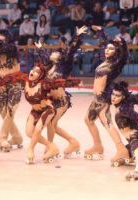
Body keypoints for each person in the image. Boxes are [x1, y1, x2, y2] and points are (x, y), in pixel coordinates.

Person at [35, 26, 87, 158]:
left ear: (60, 57)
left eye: (55, 52)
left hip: (62, 101)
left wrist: (77, 36)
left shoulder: (64, 66)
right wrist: (40, 47)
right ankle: (73, 142)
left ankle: (51, 147)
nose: (52, 53)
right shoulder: (51, 66)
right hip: (52, 100)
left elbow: (71, 51)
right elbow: (45, 55)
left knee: (50, 123)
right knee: (53, 125)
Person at [84, 25, 129, 165]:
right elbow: (105, 43)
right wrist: (101, 31)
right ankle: (98, 146)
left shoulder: (115, 64)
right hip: (96, 99)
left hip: (103, 99)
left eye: (110, 49)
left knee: (107, 123)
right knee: (88, 120)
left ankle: (121, 149)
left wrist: (123, 44)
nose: (106, 50)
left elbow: (124, 55)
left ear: (116, 52)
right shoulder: (106, 61)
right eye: (106, 48)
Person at [23, 64, 80, 164]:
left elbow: (58, 90)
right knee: (50, 126)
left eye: (37, 71)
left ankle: (51, 148)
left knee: (51, 124)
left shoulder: (47, 82)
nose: (33, 72)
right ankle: (70, 142)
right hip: (47, 102)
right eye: (33, 69)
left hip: (59, 102)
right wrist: (36, 103)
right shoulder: (32, 81)